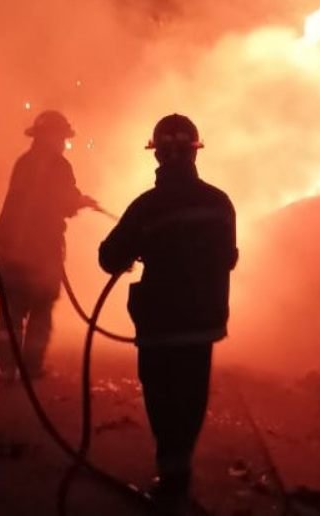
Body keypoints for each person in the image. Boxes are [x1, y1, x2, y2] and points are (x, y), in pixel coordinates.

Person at [98, 114, 238, 510]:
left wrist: (138, 252)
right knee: (190, 399)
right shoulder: (220, 203)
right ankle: (180, 473)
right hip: (202, 325)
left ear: (157, 155)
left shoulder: (147, 206)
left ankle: (172, 476)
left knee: (162, 399)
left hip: (159, 326)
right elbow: (228, 258)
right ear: (195, 153)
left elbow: (109, 257)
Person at [0, 110, 101, 381]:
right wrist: (81, 201)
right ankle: (31, 368)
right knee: (40, 310)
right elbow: (62, 201)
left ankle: (7, 369)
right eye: (62, 137)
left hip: (11, 248)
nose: (64, 142)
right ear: (51, 136)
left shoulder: (24, 162)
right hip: (40, 252)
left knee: (11, 314)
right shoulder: (59, 166)